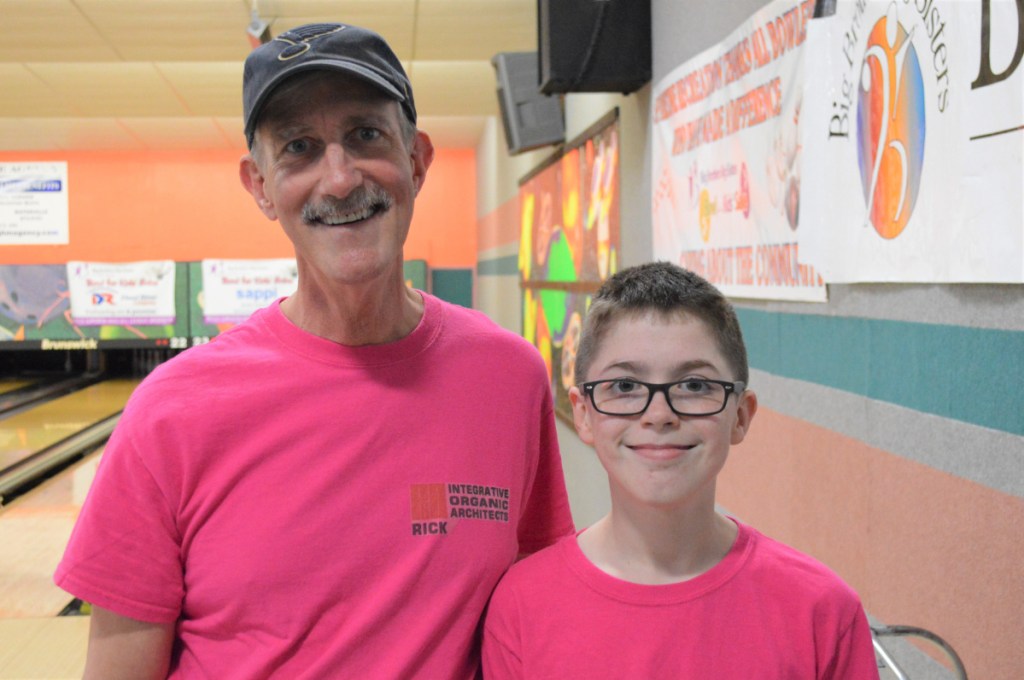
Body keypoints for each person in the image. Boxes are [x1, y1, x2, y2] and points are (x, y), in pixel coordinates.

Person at [55, 22, 573, 679]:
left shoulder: (508, 377)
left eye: (366, 135)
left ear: (417, 160)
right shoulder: (171, 411)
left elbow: (535, 611)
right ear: (260, 185)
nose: (340, 179)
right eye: (299, 148)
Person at [482, 262, 879, 679]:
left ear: (740, 416)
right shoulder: (520, 609)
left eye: (694, 386)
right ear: (583, 414)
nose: (659, 414)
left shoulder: (822, 613)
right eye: (624, 386)